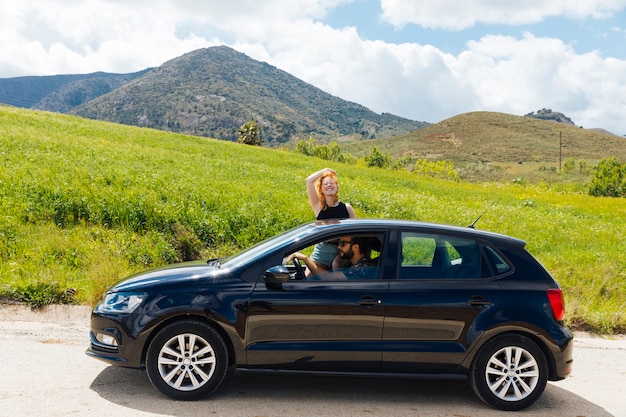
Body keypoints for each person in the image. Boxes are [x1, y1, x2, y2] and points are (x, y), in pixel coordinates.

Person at [301, 168, 356, 274]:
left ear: (337, 187)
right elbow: (309, 180)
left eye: (332, 183)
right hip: (322, 251)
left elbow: (355, 234)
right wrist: (325, 170)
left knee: (337, 273)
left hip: (341, 252)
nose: (329, 185)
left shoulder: (347, 208)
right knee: (308, 277)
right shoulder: (318, 206)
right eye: (325, 184)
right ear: (321, 189)